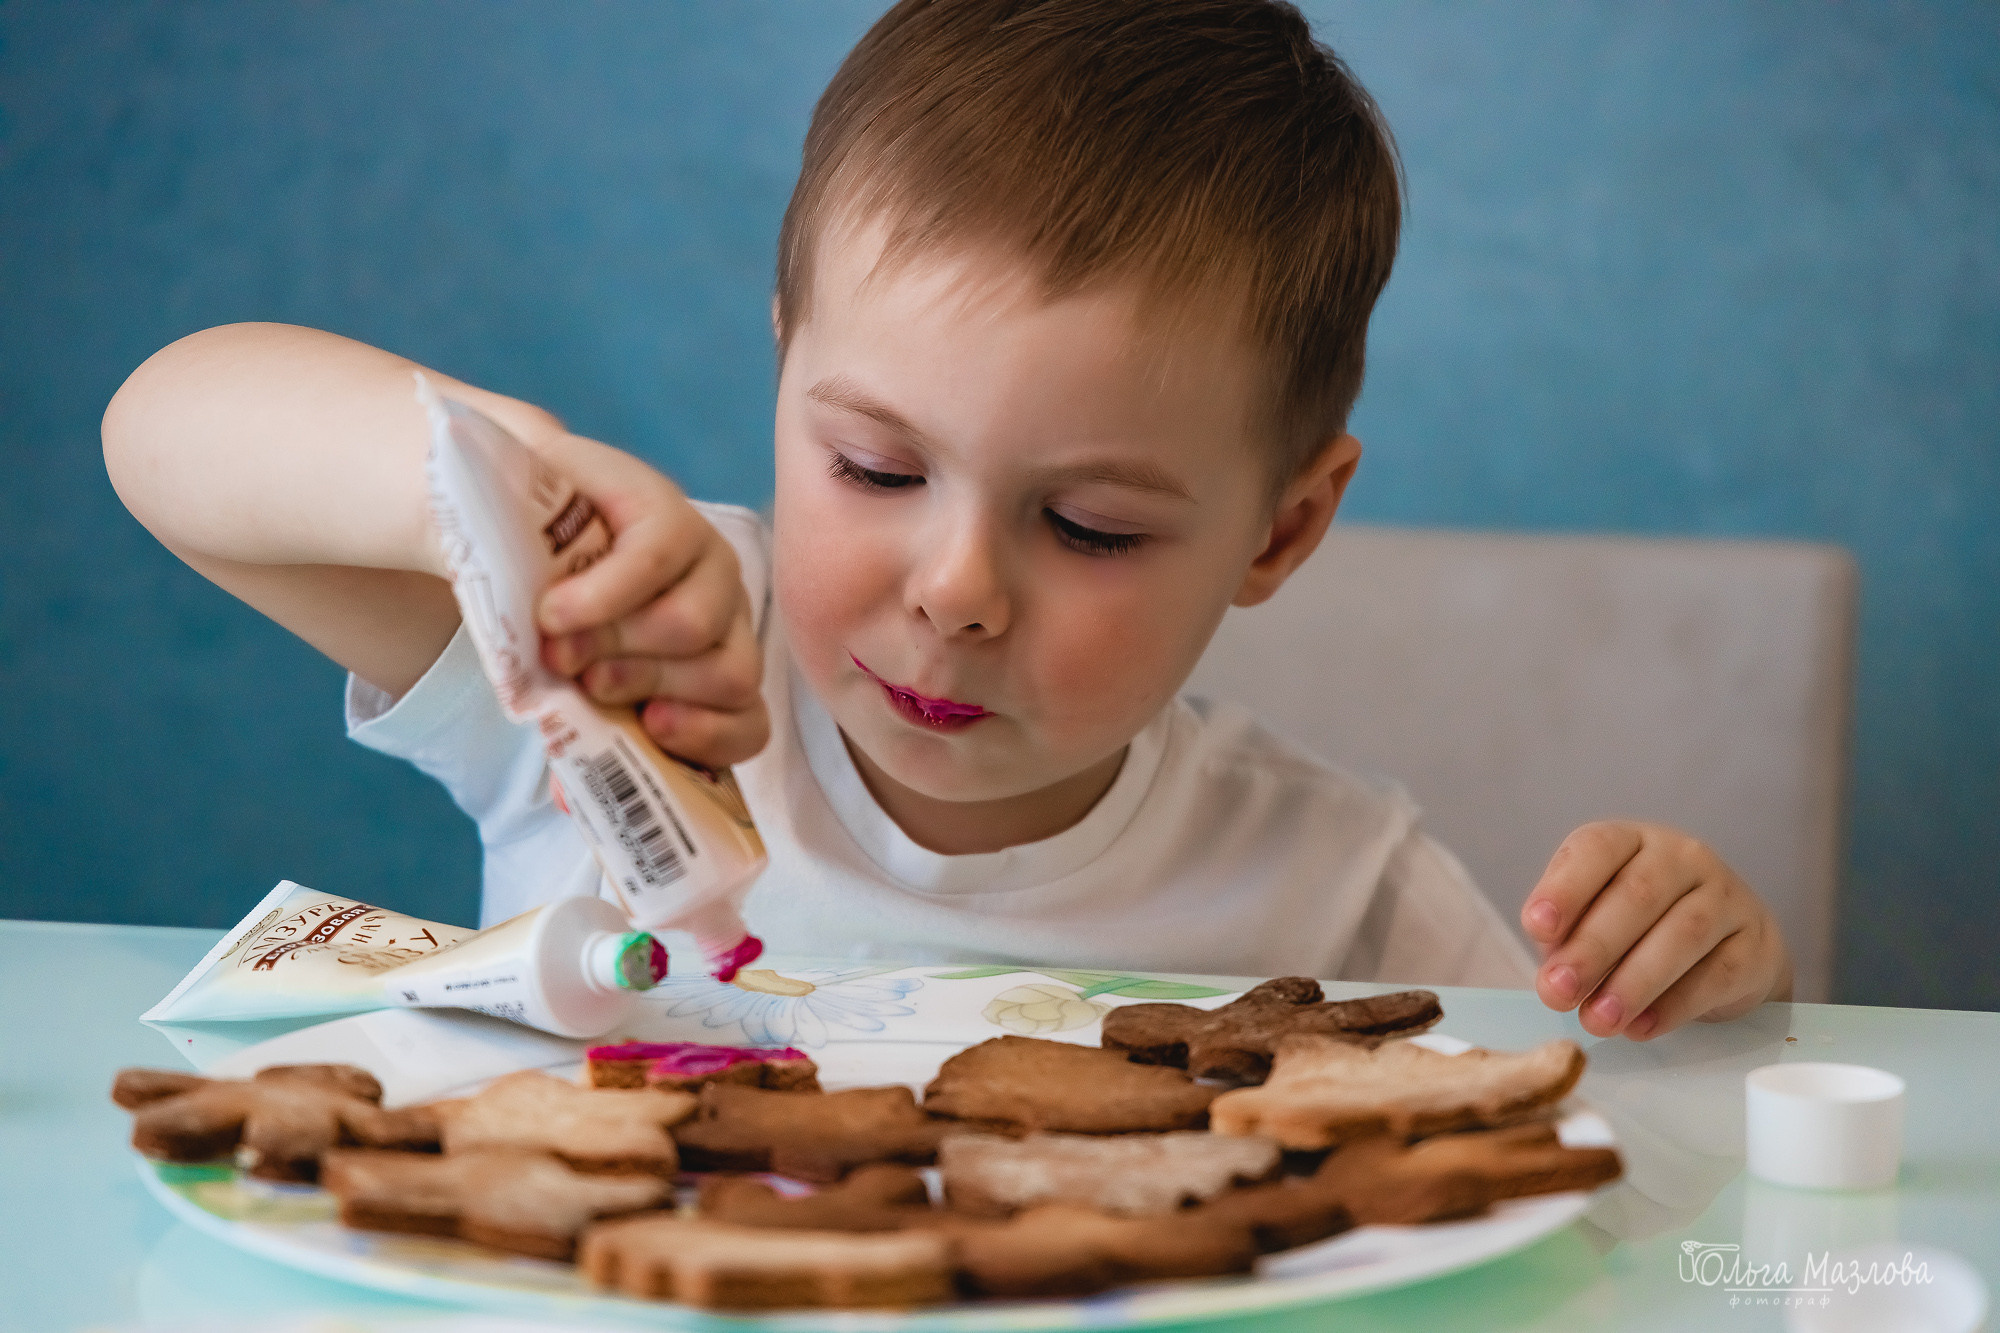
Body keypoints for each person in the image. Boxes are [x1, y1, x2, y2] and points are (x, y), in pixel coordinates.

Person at [102, 0, 1790, 1040]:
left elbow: (1639, 1147)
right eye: (878, 470)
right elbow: (162, 427)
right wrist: (516, 486)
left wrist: (1716, 991)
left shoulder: (1341, 885)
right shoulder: (617, 650)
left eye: (1097, 527)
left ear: (1280, 530)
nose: (958, 589)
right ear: (785, 374)